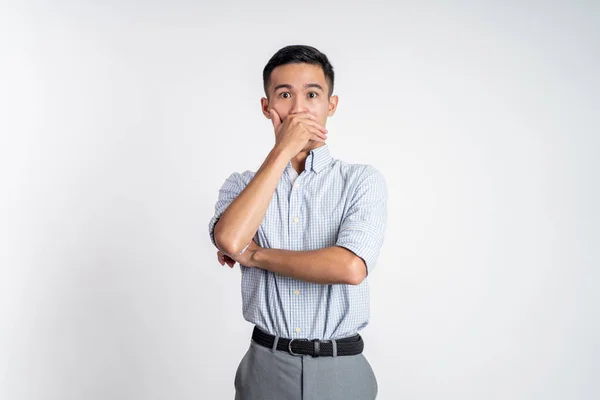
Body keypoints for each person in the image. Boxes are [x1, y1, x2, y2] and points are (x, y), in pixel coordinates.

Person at [208, 44, 388, 400]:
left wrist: (257, 256)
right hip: (265, 366)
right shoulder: (241, 185)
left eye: (312, 94)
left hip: (342, 369)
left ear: (330, 105)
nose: (299, 108)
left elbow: (350, 267)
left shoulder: (361, 180)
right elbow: (230, 240)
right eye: (285, 94)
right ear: (267, 107)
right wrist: (282, 151)